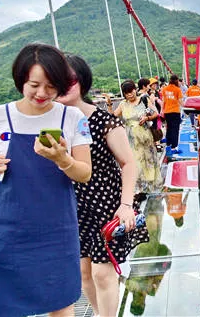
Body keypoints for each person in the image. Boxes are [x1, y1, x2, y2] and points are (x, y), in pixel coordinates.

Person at [0, 43, 92, 316]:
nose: (42, 93)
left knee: (61, 306)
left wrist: (63, 160)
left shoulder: (73, 117)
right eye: (34, 85)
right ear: (21, 79)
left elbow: (84, 173)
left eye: (51, 86)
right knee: (1, 306)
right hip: (7, 231)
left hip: (57, 232)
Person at [57, 55, 149, 317]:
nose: (63, 86)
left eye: (69, 80)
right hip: (72, 207)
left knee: (102, 273)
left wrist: (126, 204)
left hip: (106, 204)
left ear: (82, 82)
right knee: (84, 272)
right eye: (57, 81)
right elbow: (9, 117)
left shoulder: (104, 121)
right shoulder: (52, 122)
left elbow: (128, 164)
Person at [114, 80, 163, 193]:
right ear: (124, 94)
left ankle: (152, 186)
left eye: (131, 91)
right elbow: (113, 116)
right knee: (137, 162)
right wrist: (109, 104)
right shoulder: (123, 104)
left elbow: (155, 113)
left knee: (149, 160)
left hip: (145, 137)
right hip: (132, 139)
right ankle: (140, 189)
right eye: (127, 93)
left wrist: (147, 118)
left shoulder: (143, 100)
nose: (130, 95)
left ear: (135, 90)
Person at [161, 74, 185, 150]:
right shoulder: (178, 89)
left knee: (169, 128)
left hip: (167, 111)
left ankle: (168, 144)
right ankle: (174, 147)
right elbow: (180, 101)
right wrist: (186, 106)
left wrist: (162, 110)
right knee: (175, 129)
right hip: (175, 111)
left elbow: (163, 101)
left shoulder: (164, 89)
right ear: (177, 80)